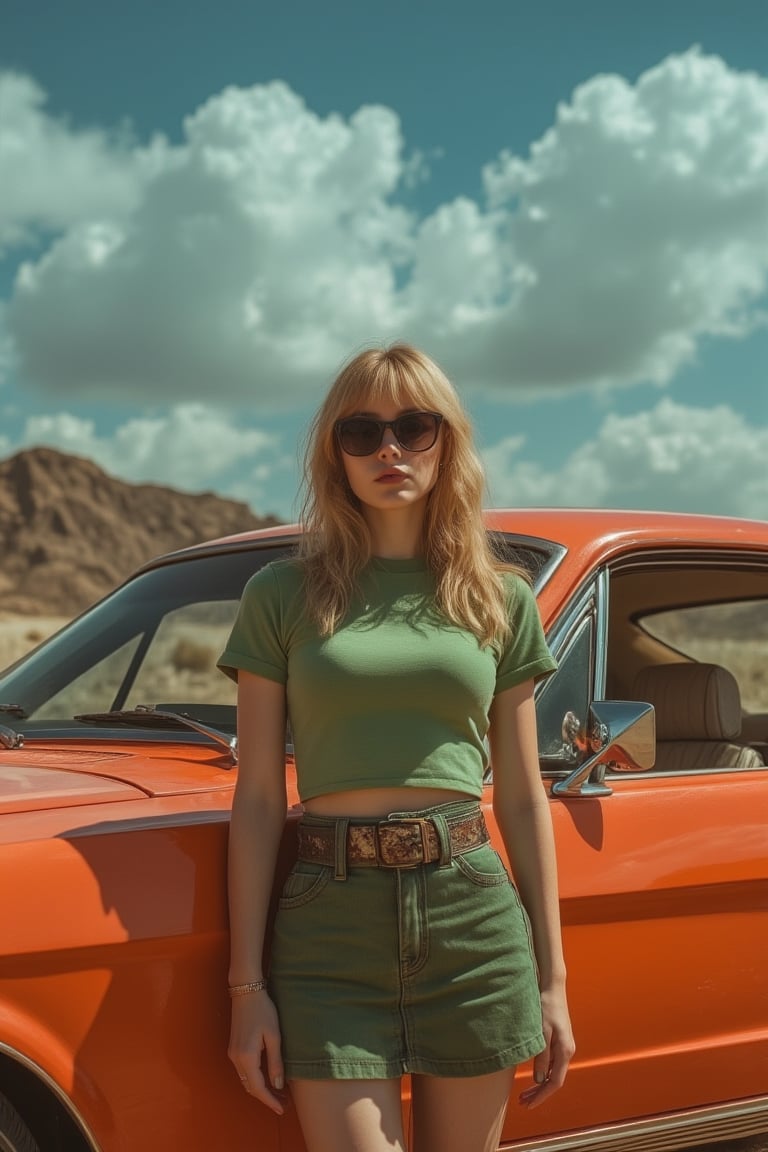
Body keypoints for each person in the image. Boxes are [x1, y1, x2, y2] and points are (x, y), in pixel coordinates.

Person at [217, 343, 574, 1152]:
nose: (389, 451)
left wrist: (553, 982)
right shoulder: (282, 594)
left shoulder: (499, 597)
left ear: (446, 443)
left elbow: (522, 796)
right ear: (332, 451)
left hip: (470, 915)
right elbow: (260, 798)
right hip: (327, 922)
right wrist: (247, 990)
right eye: (362, 431)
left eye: (415, 428)